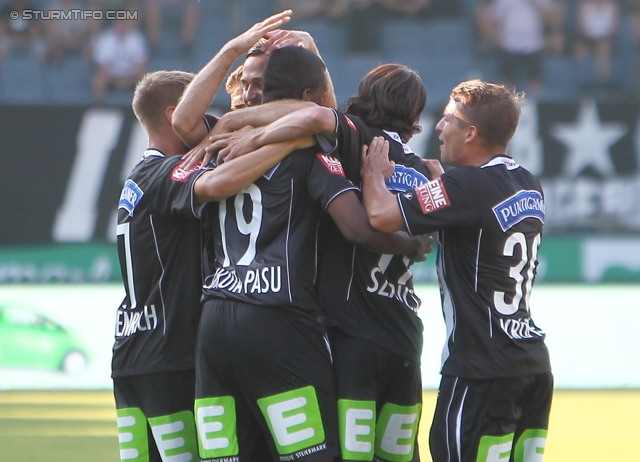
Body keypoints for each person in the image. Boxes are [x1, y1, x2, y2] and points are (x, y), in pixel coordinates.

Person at [193, 46, 429, 462]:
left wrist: (235, 123)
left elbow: (181, 124)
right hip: (314, 322)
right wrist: (411, 244)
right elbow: (358, 228)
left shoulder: (217, 151)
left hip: (216, 315)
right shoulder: (408, 167)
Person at [112, 69, 317, 462]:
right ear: (175, 114)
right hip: (171, 352)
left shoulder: (137, 178)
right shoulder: (166, 172)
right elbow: (218, 183)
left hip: (130, 352)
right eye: (204, 114)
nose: (211, 124)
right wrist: (287, 143)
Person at [360, 79, 553, 462]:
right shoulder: (528, 184)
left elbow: (381, 215)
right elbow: (475, 219)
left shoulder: (466, 185)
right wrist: (441, 186)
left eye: (448, 118)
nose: (438, 127)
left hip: (481, 368)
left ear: (471, 132)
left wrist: (372, 173)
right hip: (532, 365)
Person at [172, 9, 338, 149]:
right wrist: (231, 50)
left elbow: (329, 115)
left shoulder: (310, 134)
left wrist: (311, 49)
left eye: (260, 84)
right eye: (245, 85)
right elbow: (183, 123)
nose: (248, 96)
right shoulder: (228, 134)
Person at [92, 17, 148, 102]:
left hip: (131, 74)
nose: (121, 27)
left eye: (123, 24)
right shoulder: (105, 38)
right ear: (115, 25)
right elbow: (103, 66)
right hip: (111, 75)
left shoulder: (136, 38)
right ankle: (100, 107)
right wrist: (116, 79)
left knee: (147, 79)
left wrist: (128, 79)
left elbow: (140, 65)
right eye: (119, 24)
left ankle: (143, 109)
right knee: (98, 81)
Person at [574, 0, 620, 83]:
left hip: (606, 40)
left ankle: (602, 83)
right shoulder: (584, 6)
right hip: (588, 39)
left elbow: (614, 29)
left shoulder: (613, 6)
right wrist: (593, 39)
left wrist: (602, 39)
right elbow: (581, 28)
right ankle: (582, 83)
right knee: (580, 49)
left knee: (603, 48)